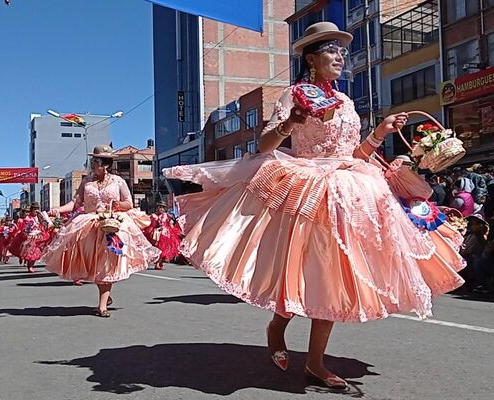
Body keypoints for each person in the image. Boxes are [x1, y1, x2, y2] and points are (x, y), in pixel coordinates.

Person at [164, 22, 465, 389]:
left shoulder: (347, 102)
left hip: (350, 190)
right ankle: (277, 326)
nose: (340, 57)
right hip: (305, 186)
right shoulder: (295, 94)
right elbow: (264, 146)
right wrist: (290, 122)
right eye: (331, 51)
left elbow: (354, 153)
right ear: (312, 58)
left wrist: (381, 132)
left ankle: (316, 362)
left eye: (342, 51)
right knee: (296, 267)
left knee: (332, 275)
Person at [43, 145, 160, 317]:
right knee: (95, 263)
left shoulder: (118, 181)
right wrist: (57, 210)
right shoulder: (86, 181)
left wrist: (119, 206)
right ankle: (105, 294)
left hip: (112, 224)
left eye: (95, 162)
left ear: (104, 164)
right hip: (89, 224)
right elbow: (76, 203)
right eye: (92, 161)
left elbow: (129, 202)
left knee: (106, 263)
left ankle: (102, 305)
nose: (92, 165)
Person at [143, 201, 182, 270]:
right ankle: (158, 263)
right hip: (156, 235)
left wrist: (174, 231)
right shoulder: (153, 216)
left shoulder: (166, 216)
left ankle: (159, 263)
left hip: (165, 235)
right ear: (157, 208)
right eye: (160, 207)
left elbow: (170, 224)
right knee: (157, 249)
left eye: (163, 207)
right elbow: (149, 225)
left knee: (164, 249)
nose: (161, 209)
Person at [19, 203, 50, 273]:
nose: (36, 211)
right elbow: (26, 228)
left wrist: (41, 216)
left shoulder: (39, 217)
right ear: (31, 210)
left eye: (37, 209)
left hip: (38, 235)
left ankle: (31, 265)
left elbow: (45, 224)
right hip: (30, 236)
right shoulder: (27, 218)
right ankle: (29, 266)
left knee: (36, 252)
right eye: (34, 209)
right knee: (30, 251)